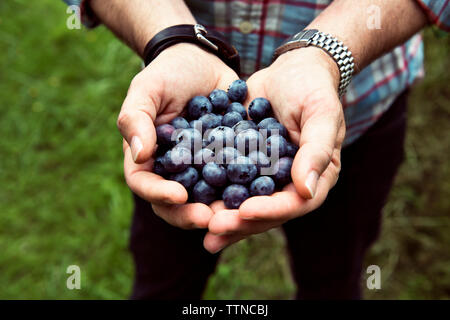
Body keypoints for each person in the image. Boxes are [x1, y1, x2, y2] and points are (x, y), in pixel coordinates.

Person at [63, 0, 449, 299]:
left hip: (360, 114)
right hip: (174, 104)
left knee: (334, 279)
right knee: (163, 281)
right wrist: (171, 39)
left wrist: (327, 55)